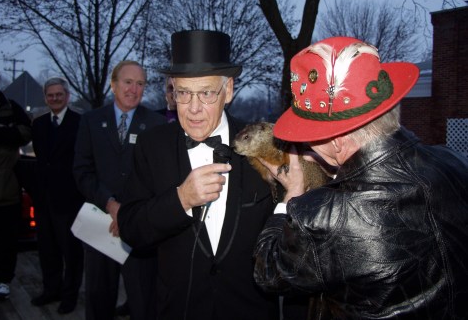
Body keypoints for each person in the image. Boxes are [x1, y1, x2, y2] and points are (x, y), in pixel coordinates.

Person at [253, 36, 468, 319]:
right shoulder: (455, 160)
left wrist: (290, 196)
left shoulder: (322, 216)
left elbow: (268, 273)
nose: (307, 149)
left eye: (311, 138)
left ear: (338, 139)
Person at [118, 30, 279, 320]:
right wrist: (180, 200)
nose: (193, 108)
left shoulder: (263, 145)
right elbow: (130, 229)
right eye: (183, 93)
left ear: (227, 90)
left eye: (206, 93)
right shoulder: (152, 146)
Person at [73, 61, 167, 320]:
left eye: (140, 84)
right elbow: (82, 171)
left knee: (143, 301)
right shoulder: (91, 121)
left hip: (139, 230)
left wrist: (129, 212)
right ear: (114, 85)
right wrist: (111, 204)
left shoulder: (157, 124)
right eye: (128, 82)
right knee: (98, 297)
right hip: (101, 222)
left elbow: (160, 178)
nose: (133, 89)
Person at [30, 77, 84, 314]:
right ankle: (51, 289)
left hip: (70, 200)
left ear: (67, 96)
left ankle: (70, 295)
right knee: (47, 249)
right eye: (50, 95)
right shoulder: (39, 124)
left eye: (59, 95)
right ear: (45, 98)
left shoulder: (79, 123)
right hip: (43, 199)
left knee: (71, 252)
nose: (55, 98)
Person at [0, 68, 32, 300]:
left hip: (5, 185)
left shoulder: (11, 106)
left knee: (7, 239)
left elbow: (25, 133)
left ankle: (2, 280)